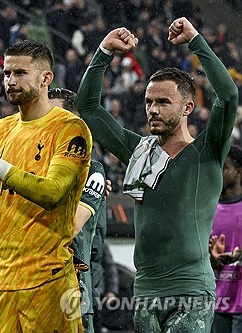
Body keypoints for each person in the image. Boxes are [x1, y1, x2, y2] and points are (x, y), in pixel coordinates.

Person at [74, 18, 238, 332]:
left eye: (163, 102)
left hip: (191, 291)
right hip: (146, 292)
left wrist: (196, 42)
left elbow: (228, 96)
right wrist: (104, 51)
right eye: (149, 101)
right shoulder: (137, 150)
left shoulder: (208, 150)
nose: (153, 109)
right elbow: (89, 107)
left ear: (188, 107)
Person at [0, 39, 92, 332]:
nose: (11, 81)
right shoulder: (1, 130)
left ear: (46, 78)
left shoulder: (69, 128)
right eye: (6, 73)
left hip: (48, 280)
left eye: (20, 73)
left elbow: (52, 193)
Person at [48, 87, 107, 333]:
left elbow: (70, 227)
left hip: (73, 293)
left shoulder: (91, 171)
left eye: (53, 117)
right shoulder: (27, 165)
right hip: (29, 289)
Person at [209, 144, 242, 333]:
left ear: (238, 173)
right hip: (216, 302)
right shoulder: (207, 208)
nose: (218, 173)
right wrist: (211, 257)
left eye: (224, 168)